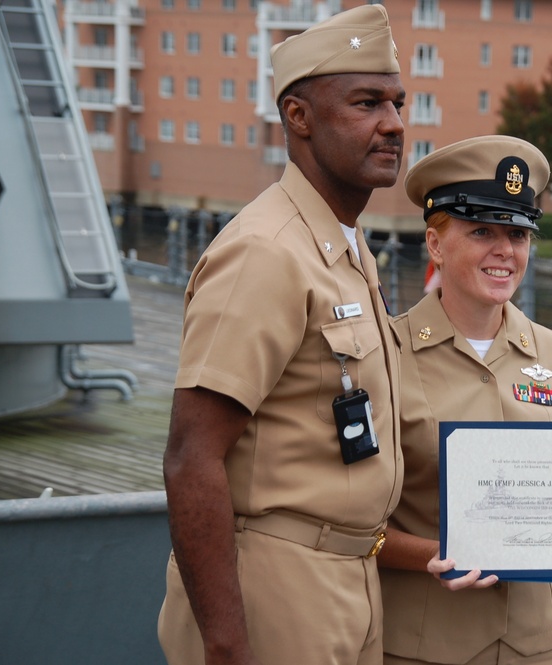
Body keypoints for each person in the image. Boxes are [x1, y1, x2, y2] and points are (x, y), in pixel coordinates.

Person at [157, 6, 405, 664]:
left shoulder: (344, 249)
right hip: (277, 584)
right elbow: (191, 456)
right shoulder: (267, 253)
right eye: (367, 102)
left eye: (399, 103)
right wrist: (228, 643)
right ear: (299, 117)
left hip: (350, 577)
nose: (394, 123)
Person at [377, 136, 552, 665]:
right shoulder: (384, 355)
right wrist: (433, 554)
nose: (505, 251)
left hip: (547, 640)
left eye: (517, 234)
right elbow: (354, 523)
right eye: (481, 232)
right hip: (430, 643)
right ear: (435, 244)